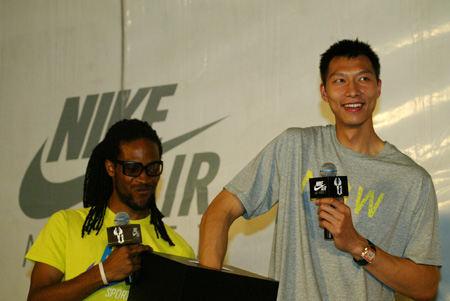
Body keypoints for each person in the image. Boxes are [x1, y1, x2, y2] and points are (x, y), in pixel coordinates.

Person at [199, 39, 441, 300]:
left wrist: (358, 245)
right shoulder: (295, 147)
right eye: (340, 81)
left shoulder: (412, 180)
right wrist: (207, 290)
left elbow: (426, 286)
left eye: (363, 79)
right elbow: (218, 213)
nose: (352, 91)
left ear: (378, 88)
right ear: (324, 92)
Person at [26, 119, 195, 300]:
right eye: (133, 168)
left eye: (152, 168)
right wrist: (103, 273)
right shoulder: (66, 224)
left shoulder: (179, 251)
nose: (144, 178)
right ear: (111, 168)